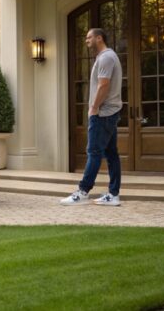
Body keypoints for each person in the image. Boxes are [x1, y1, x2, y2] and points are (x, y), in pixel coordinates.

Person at [61, 28, 123, 206]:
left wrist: (94, 107)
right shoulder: (106, 57)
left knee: (93, 152)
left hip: (103, 113)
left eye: (89, 37)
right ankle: (113, 195)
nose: (86, 40)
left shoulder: (106, 57)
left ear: (99, 38)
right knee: (111, 154)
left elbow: (104, 85)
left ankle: (83, 192)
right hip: (108, 113)